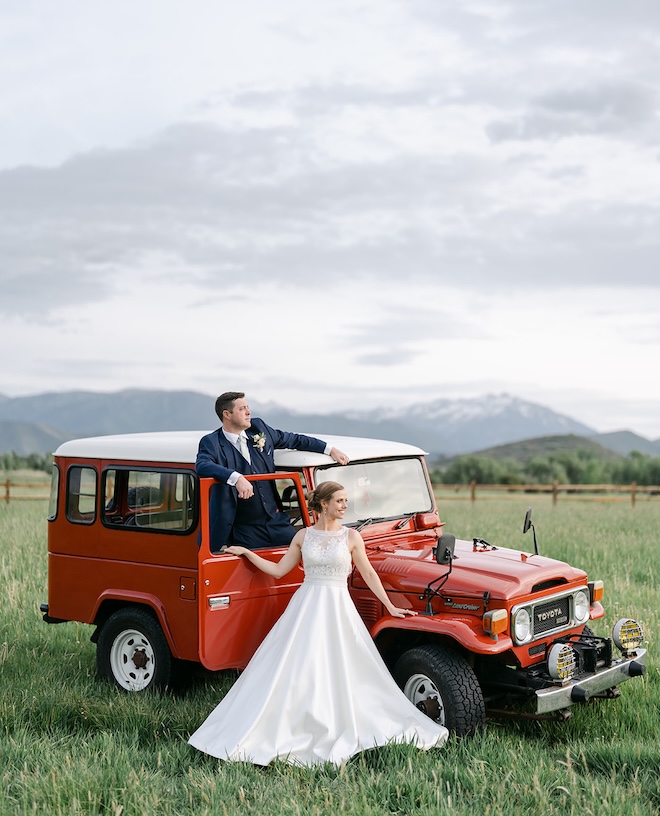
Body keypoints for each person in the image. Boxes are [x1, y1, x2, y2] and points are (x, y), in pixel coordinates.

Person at [188, 481, 448, 767]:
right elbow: (278, 570)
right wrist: (248, 554)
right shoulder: (303, 536)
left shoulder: (351, 537)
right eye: (340, 500)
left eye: (346, 500)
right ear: (323, 504)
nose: (345, 505)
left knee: (342, 664)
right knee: (298, 666)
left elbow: (370, 574)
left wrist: (390, 606)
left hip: (338, 608)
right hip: (306, 605)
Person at [196, 391, 349, 551]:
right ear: (227, 414)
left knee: (308, 552)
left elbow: (294, 440)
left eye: (248, 407)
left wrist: (330, 449)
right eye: (242, 409)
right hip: (241, 527)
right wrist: (236, 478)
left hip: (274, 521)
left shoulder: (259, 429)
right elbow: (202, 465)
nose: (248, 412)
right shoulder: (211, 442)